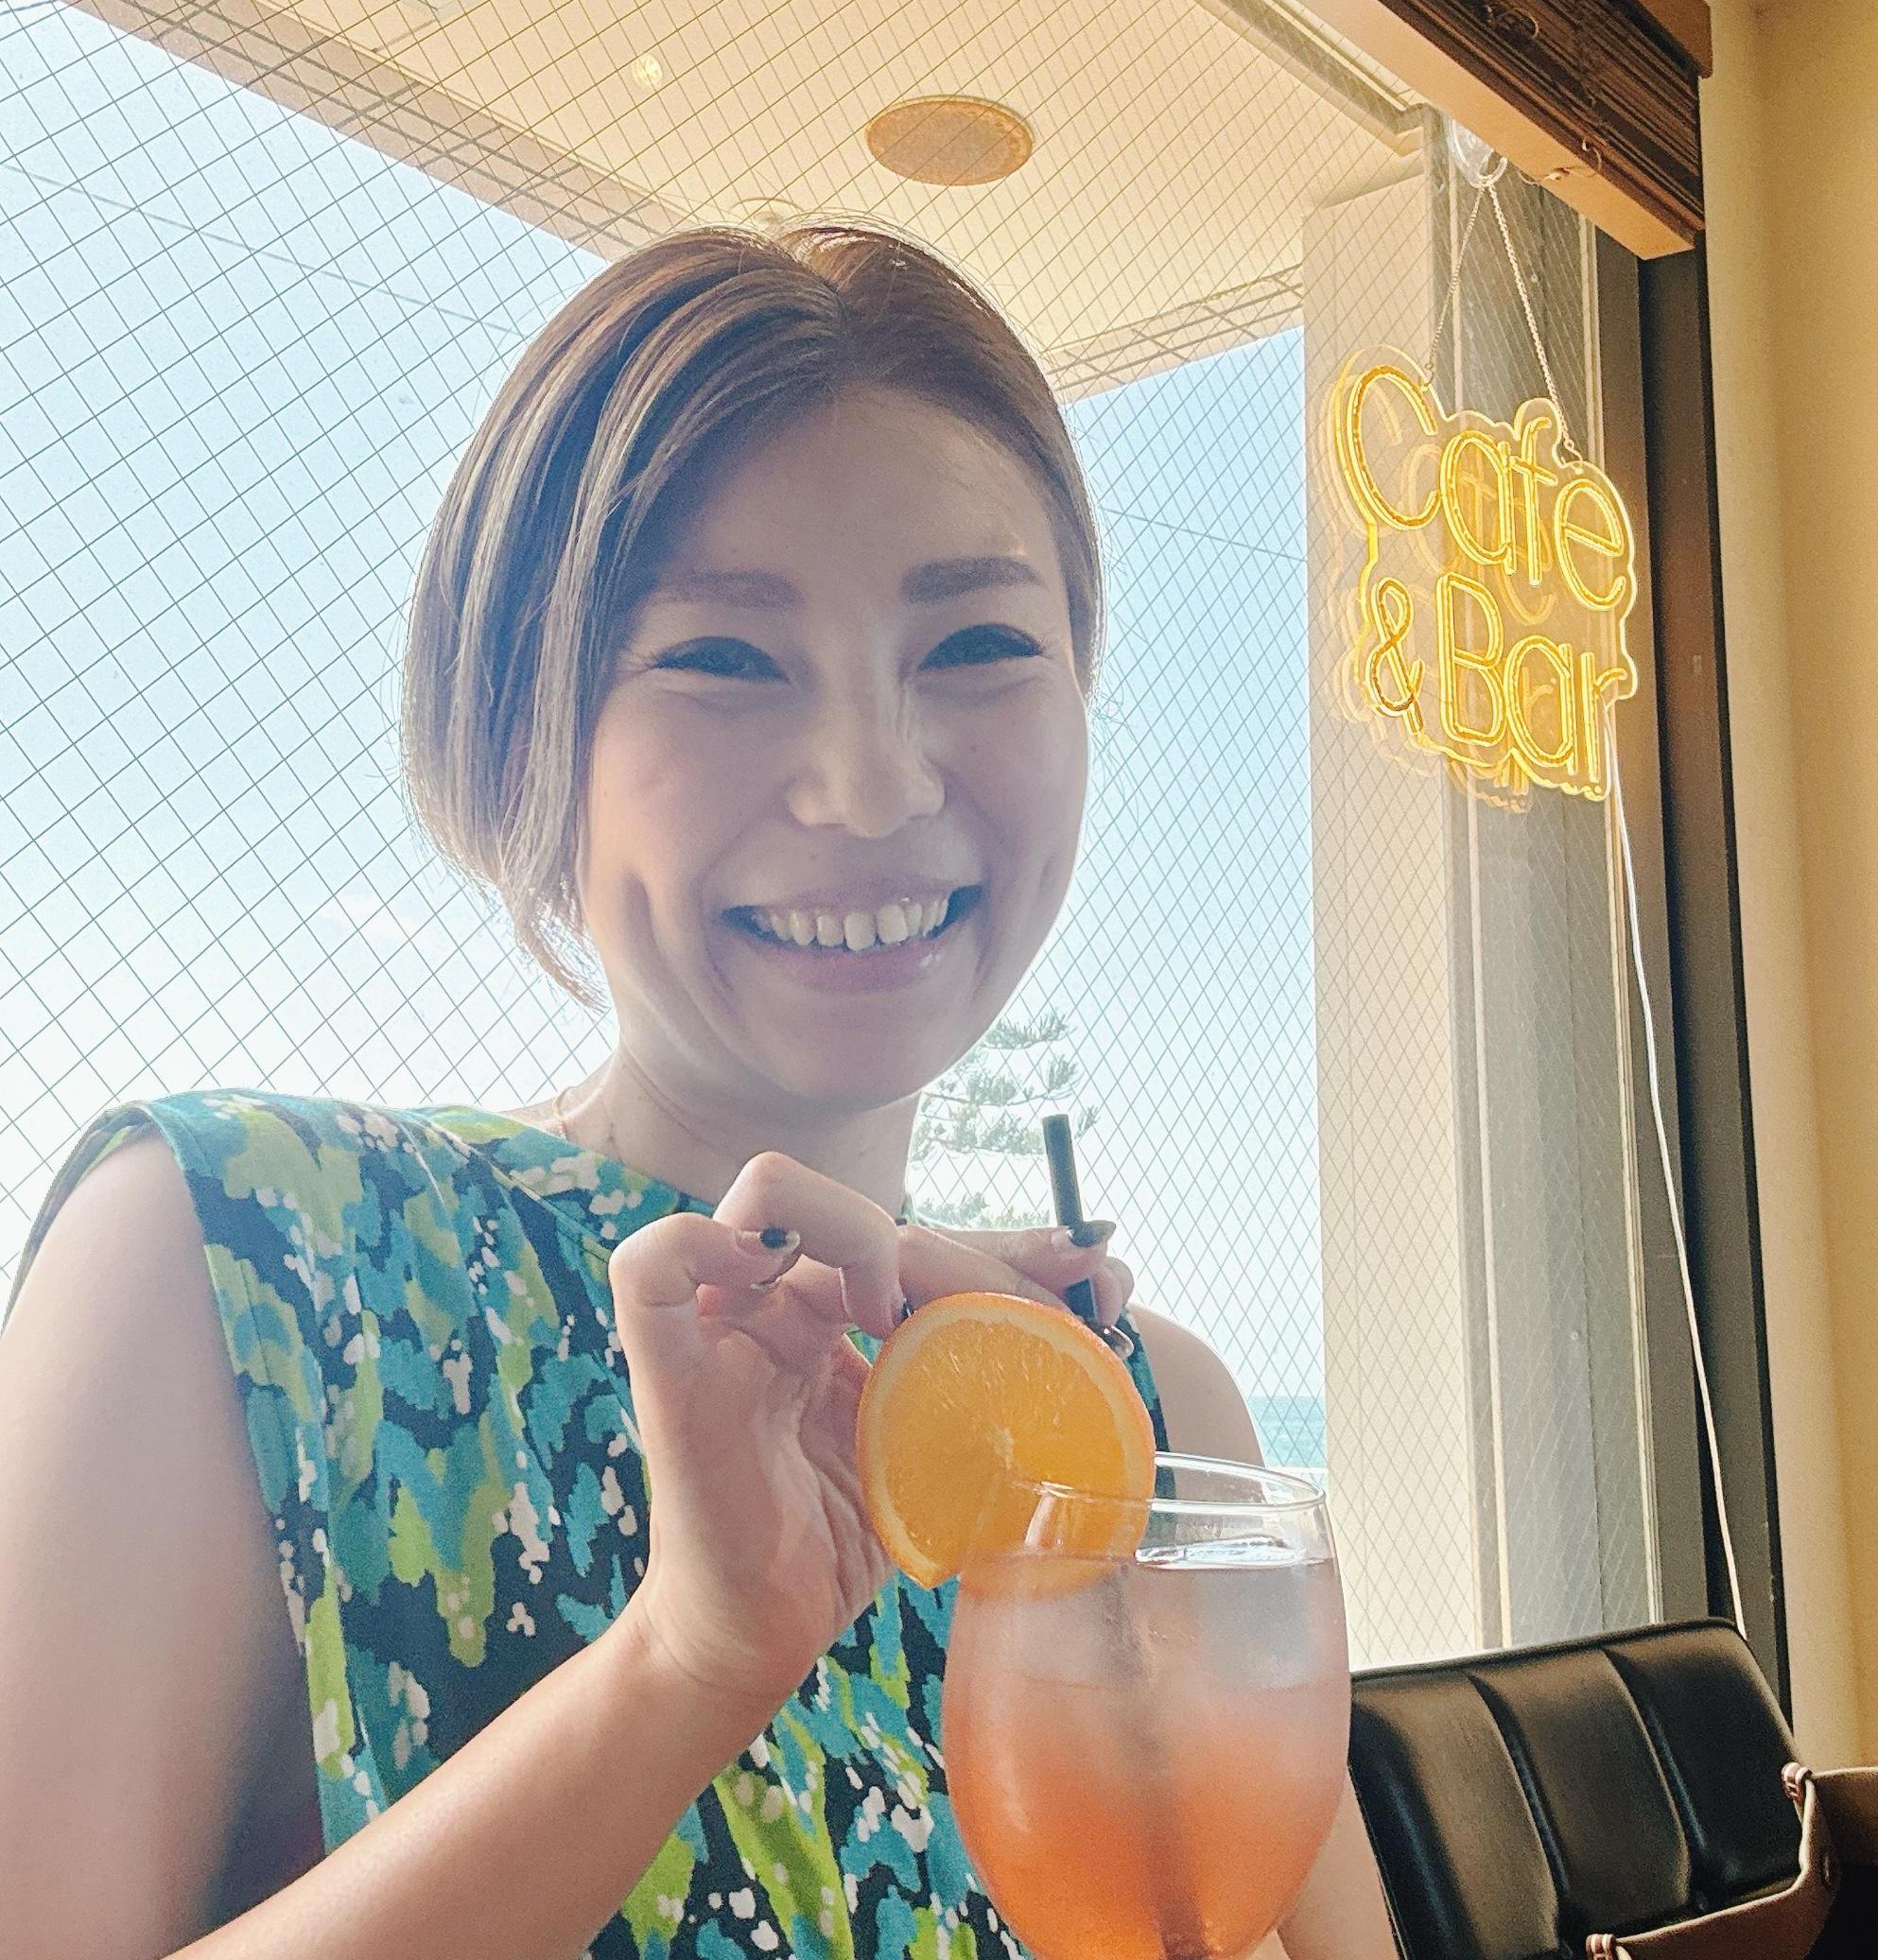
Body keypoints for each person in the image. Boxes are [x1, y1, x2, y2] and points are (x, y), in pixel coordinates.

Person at [0, 223, 1396, 1959]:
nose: (871, 788)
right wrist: (683, 1664)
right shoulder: (242, 1262)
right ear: (528, 725)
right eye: (724, 658)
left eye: (977, 641)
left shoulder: (1144, 1410)